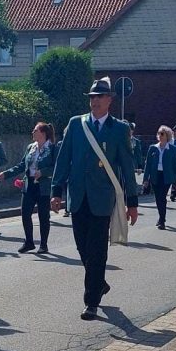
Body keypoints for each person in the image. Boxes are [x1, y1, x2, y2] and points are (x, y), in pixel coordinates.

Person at [49, 77, 138, 321]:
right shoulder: (76, 125)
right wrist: (56, 191)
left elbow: (127, 167)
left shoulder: (119, 129)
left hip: (102, 199)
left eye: (99, 96)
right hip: (78, 197)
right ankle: (98, 281)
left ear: (109, 100)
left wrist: (133, 202)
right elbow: (63, 158)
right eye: (92, 97)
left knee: (97, 250)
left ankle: (91, 302)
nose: (95, 101)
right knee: (81, 247)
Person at [0, 122, 56, 253]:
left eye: (35, 130)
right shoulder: (31, 147)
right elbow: (21, 165)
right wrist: (5, 174)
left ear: (43, 133)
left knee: (43, 216)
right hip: (29, 184)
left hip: (43, 186)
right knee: (25, 214)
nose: (32, 132)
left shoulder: (52, 148)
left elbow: (56, 167)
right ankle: (29, 242)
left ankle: (43, 244)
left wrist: (43, 172)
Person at [142, 125, 176, 229]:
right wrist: (145, 179)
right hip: (155, 175)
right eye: (159, 133)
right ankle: (161, 217)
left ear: (167, 136)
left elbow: (175, 165)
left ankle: (162, 220)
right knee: (158, 198)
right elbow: (148, 164)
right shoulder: (152, 148)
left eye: (162, 133)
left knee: (162, 197)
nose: (160, 135)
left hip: (166, 176)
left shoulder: (172, 149)